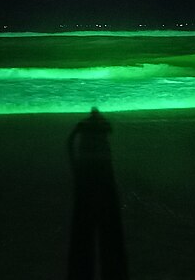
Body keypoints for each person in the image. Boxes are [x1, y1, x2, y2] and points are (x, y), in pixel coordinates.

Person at [67, 107, 128, 280]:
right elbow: (110, 130)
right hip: (102, 167)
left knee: (83, 217)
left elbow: (70, 141)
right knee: (108, 217)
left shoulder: (84, 124)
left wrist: (74, 164)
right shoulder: (101, 124)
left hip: (86, 167)